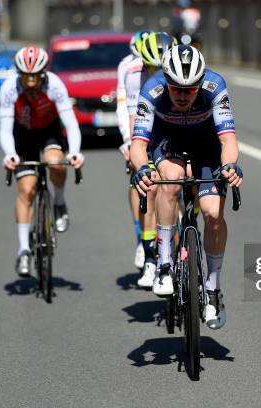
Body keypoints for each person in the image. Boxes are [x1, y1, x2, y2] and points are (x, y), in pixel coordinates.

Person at [130, 45, 243, 329]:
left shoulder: (215, 85)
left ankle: (213, 289)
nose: (182, 95)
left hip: (206, 144)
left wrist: (229, 166)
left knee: (213, 214)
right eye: (177, 88)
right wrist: (143, 168)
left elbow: (228, 140)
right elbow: (138, 145)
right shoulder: (152, 90)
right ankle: (165, 265)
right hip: (168, 141)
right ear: (166, 82)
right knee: (169, 181)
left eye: (190, 89)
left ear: (200, 83)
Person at [0, 46, 85, 277]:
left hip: (49, 130)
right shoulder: (9, 88)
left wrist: (75, 152)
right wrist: (10, 154)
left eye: (34, 77)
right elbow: (6, 130)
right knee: (27, 189)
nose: (29, 83)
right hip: (22, 134)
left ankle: (58, 202)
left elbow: (71, 123)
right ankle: (24, 250)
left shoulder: (55, 85)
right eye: (25, 77)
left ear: (43, 74)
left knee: (56, 163)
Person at [124, 32, 177, 288]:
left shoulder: (180, 73)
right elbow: (135, 122)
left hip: (178, 129)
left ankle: (191, 228)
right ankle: (149, 257)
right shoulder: (134, 76)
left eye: (161, 67)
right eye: (152, 67)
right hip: (150, 131)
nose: (157, 72)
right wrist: (135, 153)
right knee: (149, 186)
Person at [117, 30, 151, 270]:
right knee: (136, 173)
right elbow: (125, 108)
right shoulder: (128, 69)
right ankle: (141, 238)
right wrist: (129, 141)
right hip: (138, 124)